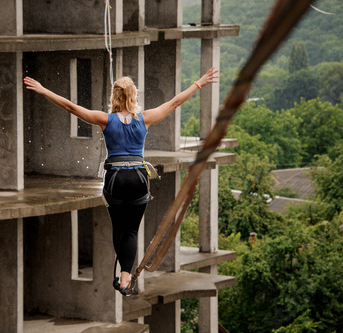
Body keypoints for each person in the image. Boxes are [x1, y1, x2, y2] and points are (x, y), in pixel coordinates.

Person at [24, 67, 219, 296]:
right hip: (137, 178)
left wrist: (43, 90)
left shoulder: (105, 120)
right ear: (133, 96)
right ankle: (125, 276)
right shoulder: (144, 119)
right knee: (131, 231)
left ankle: (123, 273)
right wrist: (199, 83)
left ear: (114, 97)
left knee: (119, 226)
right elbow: (175, 103)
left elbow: (71, 107)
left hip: (115, 179)